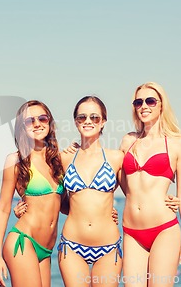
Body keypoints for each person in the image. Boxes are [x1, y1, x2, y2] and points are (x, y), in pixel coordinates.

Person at [119, 82, 181, 287]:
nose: (144, 106)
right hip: (131, 232)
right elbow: (121, 183)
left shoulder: (179, 143)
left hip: (164, 230)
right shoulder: (128, 141)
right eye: (138, 102)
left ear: (161, 105)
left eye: (150, 101)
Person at [0, 100, 66, 287]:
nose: (37, 123)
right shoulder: (16, 160)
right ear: (21, 128)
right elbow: (3, 208)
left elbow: (65, 205)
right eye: (29, 121)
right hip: (23, 242)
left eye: (42, 118)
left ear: (49, 122)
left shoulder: (58, 160)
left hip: (46, 249)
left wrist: (104, 212)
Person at [58, 96, 124, 287]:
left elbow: (136, 192)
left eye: (94, 117)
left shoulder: (116, 158)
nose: (88, 121)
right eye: (82, 117)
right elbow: (57, 201)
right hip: (71, 245)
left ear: (103, 121)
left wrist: (166, 198)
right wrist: (24, 206)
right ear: (75, 122)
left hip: (109, 247)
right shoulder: (65, 158)